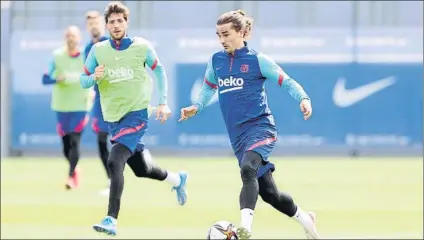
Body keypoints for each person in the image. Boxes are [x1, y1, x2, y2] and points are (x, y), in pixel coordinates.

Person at [179, 10, 319, 240]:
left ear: (243, 33)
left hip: (261, 128)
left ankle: (245, 229)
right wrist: (197, 107)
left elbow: (287, 81)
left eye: (226, 34)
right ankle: (307, 220)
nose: (222, 40)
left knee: (247, 169)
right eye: (218, 35)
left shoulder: (258, 60)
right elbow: (208, 88)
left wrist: (304, 98)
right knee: (270, 194)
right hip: (238, 137)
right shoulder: (216, 61)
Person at [80, 2, 188, 236]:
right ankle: (177, 179)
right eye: (112, 21)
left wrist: (163, 102)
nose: (116, 25)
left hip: (137, 114)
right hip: (114, 118)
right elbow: (83, 80)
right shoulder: (98, 51)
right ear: (106, 25)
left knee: (114, 160)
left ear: (126, 23)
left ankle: (111, 219)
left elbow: (159, 71)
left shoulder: (141, 47)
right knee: (142, 169)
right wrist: (93, 77)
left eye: (120, 21)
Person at [42, 26, 90, 190]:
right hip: (61, 106)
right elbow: (45, 79)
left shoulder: (86, 55)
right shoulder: (57, 56)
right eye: (68, 35)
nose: (71, 38)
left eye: (74, 36)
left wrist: (93, 92)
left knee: (75, 141)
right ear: (65, 38)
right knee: (65, 146)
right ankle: (75, 169)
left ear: (79, 38)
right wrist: (57, 78)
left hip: (81, 105)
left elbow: (96, 75)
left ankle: (70, 178)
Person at [83, 10, 110, 196]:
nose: (94, 26)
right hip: (99, 101)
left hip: (115, 99)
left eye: (97, 23)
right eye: (90, 23)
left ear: (103, 24)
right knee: (101, 141)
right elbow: (88, 74)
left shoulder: (110, 43)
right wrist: (92, 88)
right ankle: (112, 181)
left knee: (120, 142)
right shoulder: (87, 48)